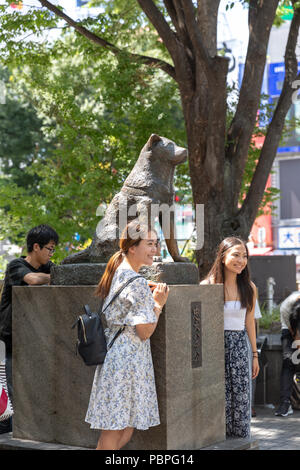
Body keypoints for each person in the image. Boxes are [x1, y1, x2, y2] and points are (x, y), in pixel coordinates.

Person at [85, 220, 169, 450]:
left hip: (117, 357)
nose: (155, 249)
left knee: (120, 428)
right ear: (132, 247)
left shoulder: (118, 273)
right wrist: (158, 304)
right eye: (150, 244)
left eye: (156, 244)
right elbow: (145, 331)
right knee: (117, 431)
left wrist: (144, 291)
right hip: (128, 361)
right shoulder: (137, 283)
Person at [0, 224, 59, 434]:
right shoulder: (16, 265)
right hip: (7, 344)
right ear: (36, 247)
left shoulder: (49, 267)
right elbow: (32, 280)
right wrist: (57, 277)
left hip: (32, 342)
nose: (52, 253)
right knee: (6, 404)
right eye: (50, 249)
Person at [200, 236, 259, 438]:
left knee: (241, 396)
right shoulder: (207, 286)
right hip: (215, 347)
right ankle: (218, 437)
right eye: (236, 255)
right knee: (218, 395)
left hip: (240, 346)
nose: (241, 260)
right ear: (223, 256)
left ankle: (240, 437)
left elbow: (250, 322)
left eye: (244, 256)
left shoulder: (249, 288)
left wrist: (255, 355)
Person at [275, 292, 300, 417]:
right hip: (289, 327)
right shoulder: (286, 307)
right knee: (288, 360)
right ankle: (285, 402)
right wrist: (297, 338)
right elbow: (294, 334)